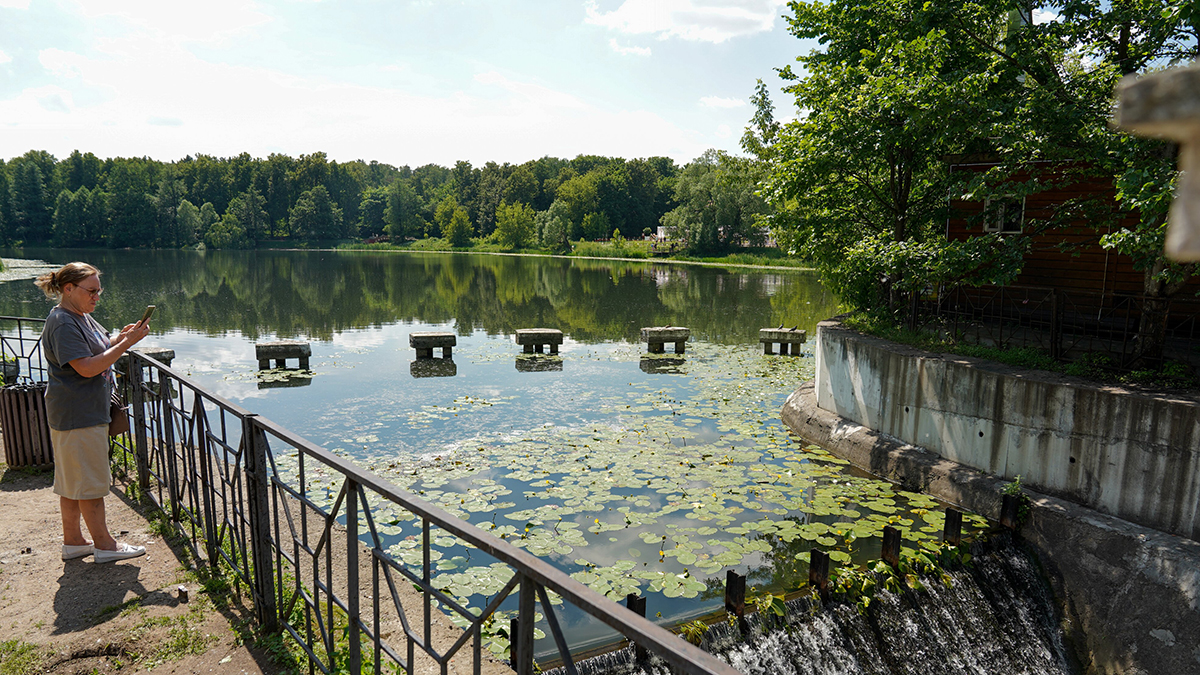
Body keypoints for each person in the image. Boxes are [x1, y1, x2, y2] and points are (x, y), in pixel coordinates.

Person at [35, 262, 150, 563]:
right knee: (88, 483)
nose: (97, 296)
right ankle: (105, 546)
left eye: (99, 291)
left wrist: (121, 337)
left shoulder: (80, 316)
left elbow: (99, 347)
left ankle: (74, 542)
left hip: (77, 411)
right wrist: (127, 345)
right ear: (69, 289)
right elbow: (86, 367)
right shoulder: (62, 322)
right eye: (91, 291)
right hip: (78, 414)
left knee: (72, 482)